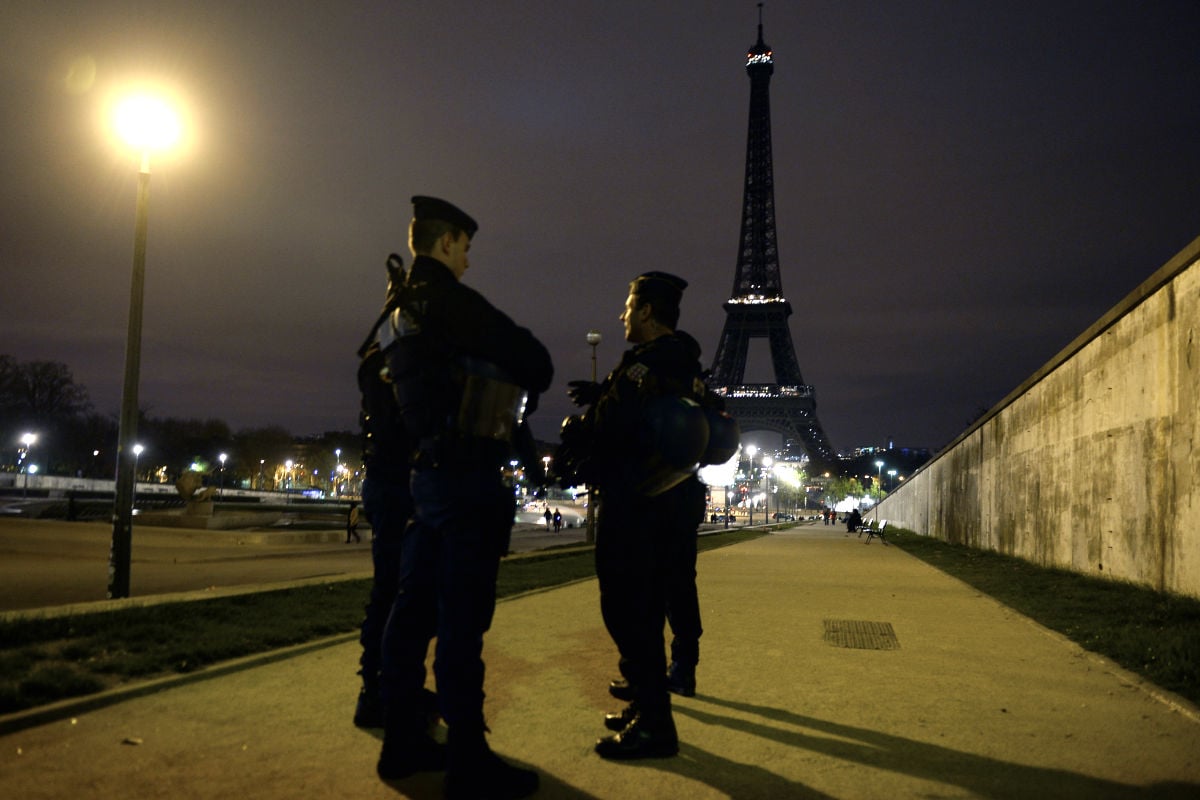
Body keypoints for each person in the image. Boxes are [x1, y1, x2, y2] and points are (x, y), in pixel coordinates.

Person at [376, 196, 553, 799]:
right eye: (467, 248)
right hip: (469, 476)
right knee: (462, 622)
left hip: (424, 477)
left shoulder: (396, 310)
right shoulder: (452, 303)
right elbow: (537, 361)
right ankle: (468, 758)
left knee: (412, 613)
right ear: (447, 241)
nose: (470, 262)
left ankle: (400, 741)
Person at [568, 271, 712, 760]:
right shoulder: (685, 363)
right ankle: (649, 709)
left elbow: (613, 427)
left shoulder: (644, 366)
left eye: (629, 307)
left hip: (637, 504)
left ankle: (654, 725)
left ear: (647, 311)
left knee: (629, 611)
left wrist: (579, 431)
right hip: (673, 500)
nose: (623, 315)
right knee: (648, 610)